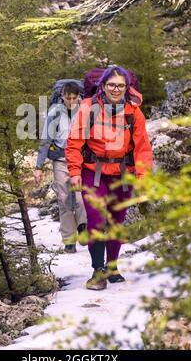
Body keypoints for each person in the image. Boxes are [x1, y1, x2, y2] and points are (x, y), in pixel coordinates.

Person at [65, 66, 153, 289]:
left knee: (116, 221)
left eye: (120, 85)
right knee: (96, 220)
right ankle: (97, 271)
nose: (116, 89)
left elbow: (142, 148)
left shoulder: (134, 112)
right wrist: (74, 172)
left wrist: (142, 178)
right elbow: (74, 143)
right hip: (93, 173)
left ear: (127, 87)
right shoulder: (88, 108)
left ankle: (112, 266)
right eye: (112, 85)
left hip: (123, 174)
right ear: (103, 86)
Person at [34, 82, 87, 253]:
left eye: (74, 98)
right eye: (67, 98)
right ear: (62, 96)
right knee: (64, 200)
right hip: (61, 160)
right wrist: (39, 166)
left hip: (80, 160)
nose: (71, 101)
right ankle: (69, 240)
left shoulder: (85, 110)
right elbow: (46, 140)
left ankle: (83, 226)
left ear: (79, 96)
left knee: (80, 197)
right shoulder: (55, 112)